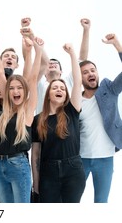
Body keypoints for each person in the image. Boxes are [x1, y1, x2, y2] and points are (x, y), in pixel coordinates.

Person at [0, 34, 43, 203]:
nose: (15, 91)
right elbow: (0, 72)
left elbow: (33, 78)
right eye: (11, 88)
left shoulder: (27, 110)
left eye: (19, 88)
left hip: (18, 165)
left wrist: (37, 50)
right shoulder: (5, 108)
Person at [31, 43, 85, 203]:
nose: (59, 90)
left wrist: (72, 54)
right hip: (48, 172)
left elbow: (77, 81)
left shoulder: (72, 111)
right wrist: (36, 182)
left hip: (73, 171)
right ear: (48, 94)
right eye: (55, 88)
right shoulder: (38, 119)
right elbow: (35, 154)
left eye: (62, 88)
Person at [79, 33, 122, 203]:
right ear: (80, 78)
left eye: (92, 70)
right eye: (85, 72)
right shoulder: (76, 99)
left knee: (101, 203)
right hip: (80, 158)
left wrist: (117, 45)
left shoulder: (109, 90)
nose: (90, 74)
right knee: (72, 200)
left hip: (105, 158)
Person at [32, 18, 90, 114]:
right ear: (44, 72)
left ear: (61, 72)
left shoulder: (68, 81)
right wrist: (32, 37)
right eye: (49, 63)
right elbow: (42, 63)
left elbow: (82, 59)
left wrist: (86, 30)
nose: (52, 64)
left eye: (56, 63)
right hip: (43, 125)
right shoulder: (40, 83)